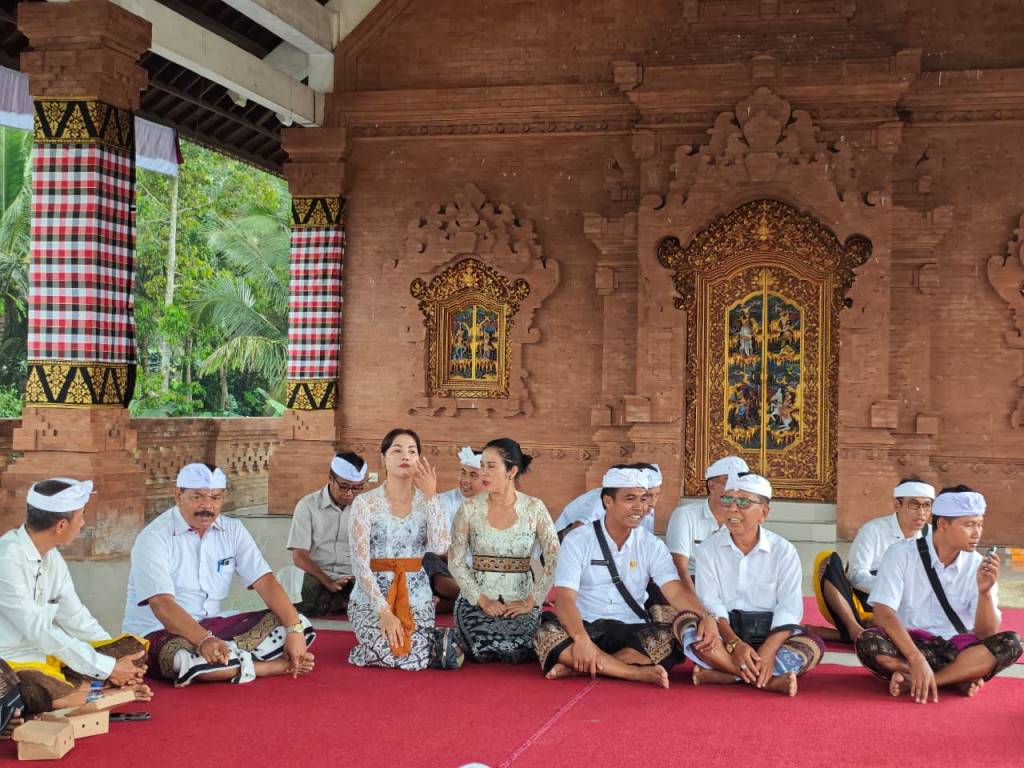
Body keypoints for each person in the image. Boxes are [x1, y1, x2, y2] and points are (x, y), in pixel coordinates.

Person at [123, 463, 316, 686]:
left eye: (215, 498)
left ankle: (229, 660)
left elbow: (265, 581)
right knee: (186, 660)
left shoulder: (232, 530)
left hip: (213, 626)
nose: (207, 506)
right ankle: (265, 666)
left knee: (299, 622)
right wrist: (203, 640)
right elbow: (161, 604)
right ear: (178, 496)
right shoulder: (155, 537)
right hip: (158, 633)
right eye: (197, 497)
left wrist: (294, 629)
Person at [533, 465, 720, 688]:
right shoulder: (578, 540)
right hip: (584, 625)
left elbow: (676, 591)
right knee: (545, 632)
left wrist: (707, 615)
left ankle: (579, 667)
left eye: (643, 499)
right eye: (630, 498)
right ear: (607, 502)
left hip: (632, 628)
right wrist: (582, 639)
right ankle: (631, 672)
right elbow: (564, 599)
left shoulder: (652, 545)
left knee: (672, 637)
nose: (640, 507)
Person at [855, 486, 1023, 702]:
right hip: (909, 645)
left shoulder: (979, 565)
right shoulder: (900, 554)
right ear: (942, 524)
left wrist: (985, 592)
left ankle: (925, 680)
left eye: (979, 524)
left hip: (957, 648)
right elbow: (883, 614)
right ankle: (957, 676)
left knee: (1013, 643)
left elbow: (986, 633)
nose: (977, 533)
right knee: (867, 641)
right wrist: (916, 659)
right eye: (968, 525)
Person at [0, 478, 152, 714]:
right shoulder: (7, 558)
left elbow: (77, 617)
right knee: (32, 687)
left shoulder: (52, 557)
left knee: (132, 648)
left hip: (49, 657)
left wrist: (112, 657)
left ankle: (87, 692)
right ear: (61, 525)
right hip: (11, 665)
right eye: (81, 516)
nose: (82, 523)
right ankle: (105, 693)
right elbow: (39, 631)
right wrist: (108, 669)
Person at [673, 472, 824, 697]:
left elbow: (789, 608)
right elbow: (710, 602)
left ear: (764, 512)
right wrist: (734, 644)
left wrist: (769, 650)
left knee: (813, 645)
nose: (732, 509)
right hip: (726, 633)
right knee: (689, 627)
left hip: (770, 632)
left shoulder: (784, 551)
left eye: (743, 502)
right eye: (728, 500)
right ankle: (767, 680)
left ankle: (724, 674)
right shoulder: (707, 550)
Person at [449, 438, 559, 663]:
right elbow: (455, 561)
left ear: (512, 471)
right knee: (482, 647)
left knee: (519, 650)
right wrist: (482, 600)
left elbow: (555, 557)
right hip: (477, 600)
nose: (483, 474)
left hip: (520, 600)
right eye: (482, 466)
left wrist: (531, 600)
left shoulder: (534, 508)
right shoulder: (469, 508)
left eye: (491, 467)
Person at [347, 428, 450, 670]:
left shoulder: (430, 502)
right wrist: (383, 611)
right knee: (386, 654)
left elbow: (440, 546)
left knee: (416, 657)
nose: (405, 456)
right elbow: (360, 565)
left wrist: (432, 496)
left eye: (412, 451)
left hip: (416, 595)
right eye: (397, 450)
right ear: (383, 459)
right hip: (371, 598)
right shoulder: (365, 503)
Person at [808, 478, 934, 643]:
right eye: (914, 504)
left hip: (909, 606)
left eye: (927, 505)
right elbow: (856, 575)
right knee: (827, 561)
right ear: (897, 505)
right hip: (866, 603)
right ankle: (853, 627)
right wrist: (890, 588)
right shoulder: (873, 530)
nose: (921, 512)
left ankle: (848, 635)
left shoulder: (933, 536)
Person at [285, 451, 366, 617]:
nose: (350, 493)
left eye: (356, 488)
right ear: (330, 478)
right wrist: (328, 581)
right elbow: (299, 556)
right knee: (288, 577)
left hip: (356, 579)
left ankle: (335, 603)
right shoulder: (307, 506)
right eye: (344, 486)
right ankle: (343, 603)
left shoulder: (366, 508)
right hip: (318, 578)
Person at [665, 456, 749, 591]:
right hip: (694, 584)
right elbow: (679, 568)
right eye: (729, 481)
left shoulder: (745, 517)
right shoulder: (685, 515)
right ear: (712, 486)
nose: (735, 488)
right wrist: (696, 605)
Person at [426, 446, 486, 613]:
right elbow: (440, 548)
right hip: (451, 568)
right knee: (430, 560)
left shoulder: (496, 504)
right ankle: (482, 602)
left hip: (484, 571)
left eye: (473, 475)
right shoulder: (445, 501)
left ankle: (448, 605)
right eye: (463, 472)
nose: (465, 480)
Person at [553, 463, 661, 538]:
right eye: (648, 496)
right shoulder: (602, 500)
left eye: (657, 495)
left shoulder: (647, 509)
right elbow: (578, 529)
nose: (653, 503)